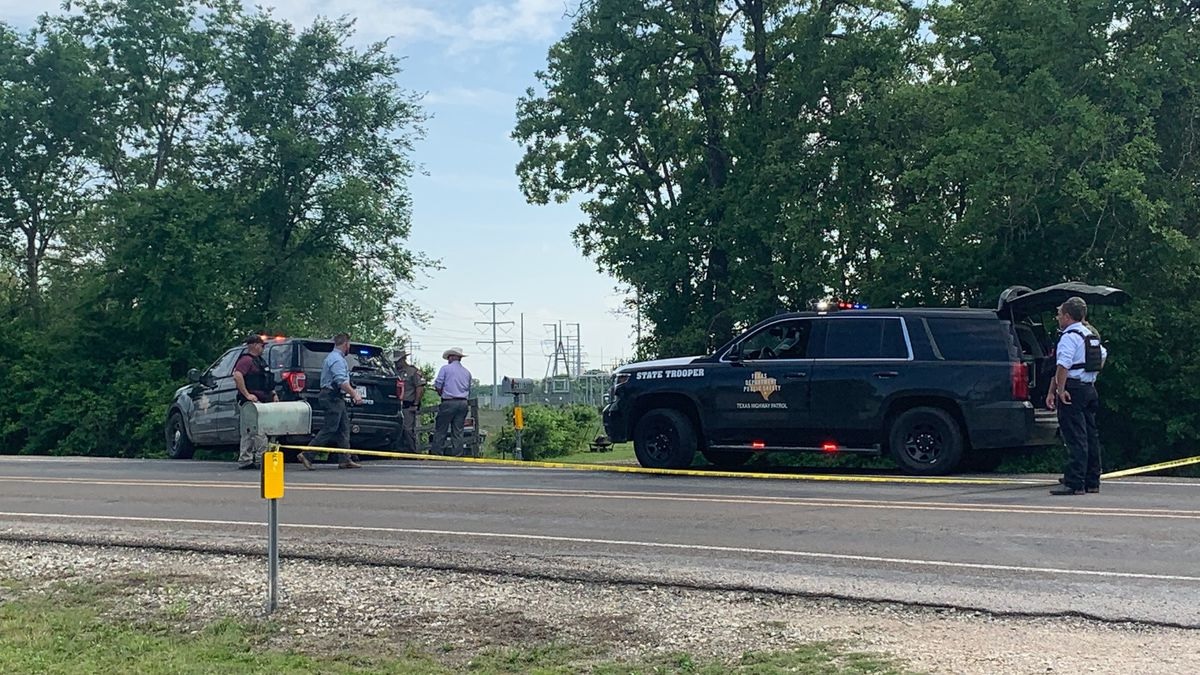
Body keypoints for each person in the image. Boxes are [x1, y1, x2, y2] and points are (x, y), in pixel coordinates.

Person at [1045, 297, 1107, 495]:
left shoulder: (1069, 337)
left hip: (1073, 389)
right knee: (1090, 435)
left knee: (1075, 436)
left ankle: (1074, 482)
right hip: (1089, 388)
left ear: (1067, 316)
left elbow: (1063, 365)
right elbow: (1102, 356)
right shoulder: (1090, 335)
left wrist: (1060, 390)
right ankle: (1092, 480)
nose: (1057, 318)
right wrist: (1090, 377)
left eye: (1059, 314)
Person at [298, 332, 363, 470]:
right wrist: (354, 394)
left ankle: (345, 459)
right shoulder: (337, 360)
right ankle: (307, 454)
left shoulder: (335, 358)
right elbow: (341, 381)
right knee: (330, 428)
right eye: (349, 344)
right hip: (331, 397)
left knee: (344, 428)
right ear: (346, 344)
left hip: (335, 397)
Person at [232, 334, 278, 470]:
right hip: (251, 403)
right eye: (262, 345)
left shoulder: (260, 362)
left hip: (263, 400)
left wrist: (273, 394)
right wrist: (247, 394)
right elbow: (237, 375)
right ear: (255, 345)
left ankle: (246, 459)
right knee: (257, 430)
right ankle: (259, 459)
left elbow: (267, 381)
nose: (263, 348)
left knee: (252, 431)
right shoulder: (246, 360)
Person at [431, 347, 471, 456]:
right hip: (463, 402)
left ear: (452, 357)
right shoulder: (467, 372)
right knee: (458, 431)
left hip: (449, 401)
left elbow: (438, 384)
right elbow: (468, 389)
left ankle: (437, 454)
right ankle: (457, 454)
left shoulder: (445, 369)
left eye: (449, 357)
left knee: (441, 429)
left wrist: (440, 392)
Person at [392, 347, 425, 453]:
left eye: (398, 361)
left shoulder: (413, 372)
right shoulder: (394, 372)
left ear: (403, 359)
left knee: (408, 430)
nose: (396, 363)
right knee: (397, 430)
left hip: (408, 405)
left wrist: (416, 403)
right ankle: (398, 452)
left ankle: (412, 452)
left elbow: (419, 387)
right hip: (396, 406)